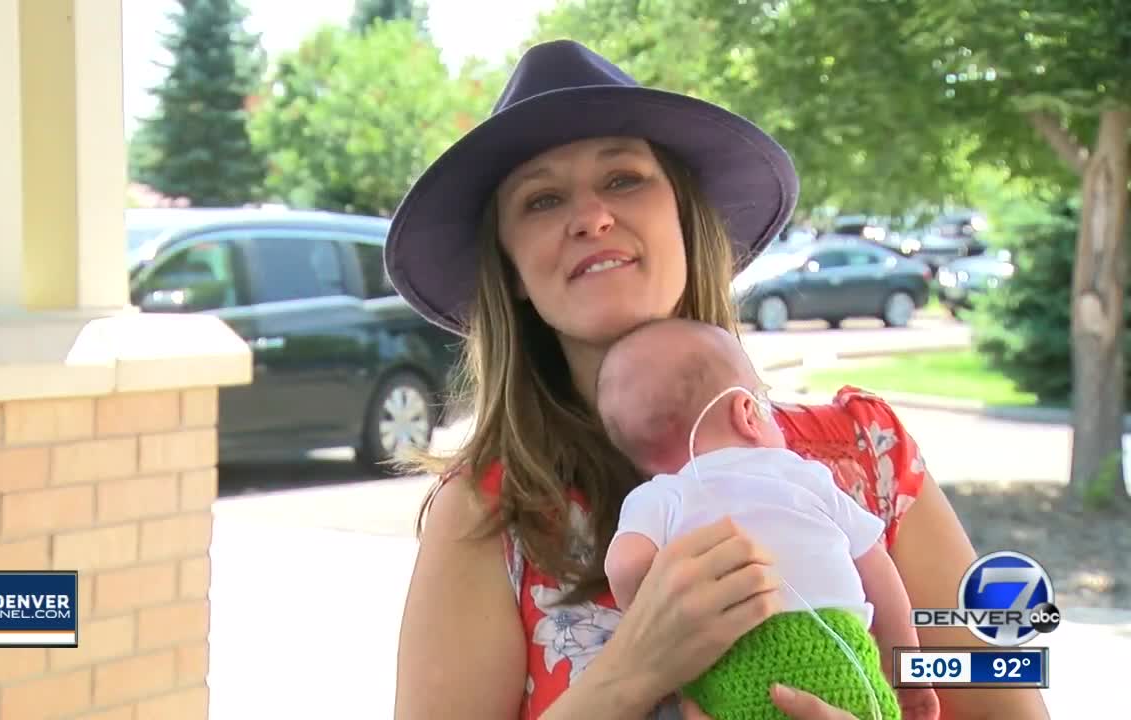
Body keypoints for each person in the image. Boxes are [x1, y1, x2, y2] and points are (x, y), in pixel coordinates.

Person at [388, 39, 1050, 720]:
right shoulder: (489, 512)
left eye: (623, 178)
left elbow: (994, 688)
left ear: (685, 215)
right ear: (514, 274)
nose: (590, 217)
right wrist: (630, 672)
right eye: (542, 199)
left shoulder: (867, 452)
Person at [596, 318, 938, 720]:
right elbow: (877, 567)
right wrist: (906, 667)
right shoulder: (807, 476)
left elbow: (624, 564)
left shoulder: (658, 497)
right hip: (839, 663)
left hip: (731, 670)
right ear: (747, 412)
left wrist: (648, 626)